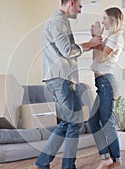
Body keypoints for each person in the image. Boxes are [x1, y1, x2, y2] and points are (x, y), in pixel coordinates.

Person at [33, 0, 102, 169]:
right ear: (70, 2)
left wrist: (90, 42)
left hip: (63, 79)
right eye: (79, 6)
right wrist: (90, 44)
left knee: (68, 122)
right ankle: (67, 166)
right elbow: (68, 51)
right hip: (61, 79)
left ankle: (42, 163)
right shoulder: (58, 22)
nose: (80, 11)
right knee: (75, 123)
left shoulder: (61, 21)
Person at [89, 7, 125, 169]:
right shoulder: (111, 37)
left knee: (107, 122)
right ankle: (106, 156)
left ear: (112, 19)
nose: (103, 21)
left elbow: (99, 59)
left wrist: (97, 36)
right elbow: (97, 57)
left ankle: (116, 159)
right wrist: (95, 38)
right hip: (102, 83)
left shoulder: (115, 37)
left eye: (104, 18)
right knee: (93, 120)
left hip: (106, 83)